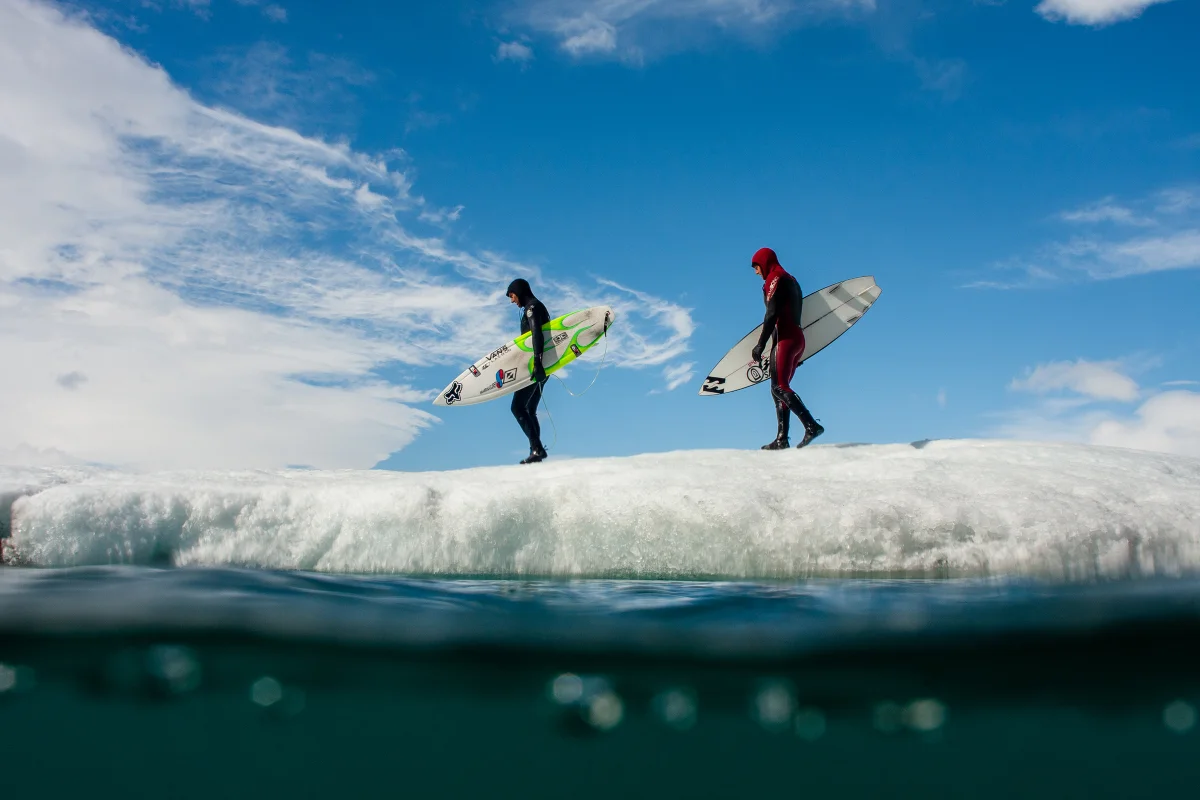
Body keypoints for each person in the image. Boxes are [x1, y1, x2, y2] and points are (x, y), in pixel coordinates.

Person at [749, 247, 824, 450]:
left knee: (779, 387)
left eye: (756, 267)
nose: (756, 272)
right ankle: (782, 438)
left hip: (786, 339)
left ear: (764, 262)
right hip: (796, 339)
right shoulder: (792, 279)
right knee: (778, 390)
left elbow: (771, 314)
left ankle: (811, 426)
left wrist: (760, 344)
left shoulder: (775, 278)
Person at [506, 278, 551, 464]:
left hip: (536, 366)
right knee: (530, 409)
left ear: (519, 292)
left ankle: (537, 449)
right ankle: (536, 451)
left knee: (517, 407)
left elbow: (536, 334)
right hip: (545, 365)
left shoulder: (532, 308)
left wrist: (537, 363)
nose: (512, 300)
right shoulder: (537, 307)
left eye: (512, 296)